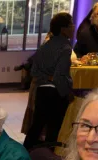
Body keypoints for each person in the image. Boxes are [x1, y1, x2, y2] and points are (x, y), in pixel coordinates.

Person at [23, 13, 74, 150]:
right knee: (54, 127)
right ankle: (49, 156)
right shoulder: (65, 47)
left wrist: (46, 77)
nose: (73, 27)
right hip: (56, 92)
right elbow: (60, 75)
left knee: (37, 125)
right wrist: (68, 92)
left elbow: (33, 72)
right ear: (63, 29)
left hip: (42, 90)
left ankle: (25, 151)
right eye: (71, 25)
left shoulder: (45, 45)